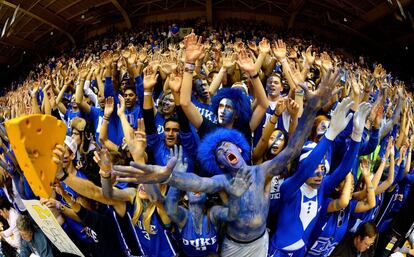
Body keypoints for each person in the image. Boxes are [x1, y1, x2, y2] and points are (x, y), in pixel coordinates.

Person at [113, 69, 341, 256]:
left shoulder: (262, 171)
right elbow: (196, 182)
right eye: (218, 152)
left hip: (261, 243)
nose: (223, 150)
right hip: (232, 246)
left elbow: (291, 151)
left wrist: (310, 110)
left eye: (226, 146)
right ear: (220, 163)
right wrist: (166, 175)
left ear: (240, 150)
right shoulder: (222, 180)